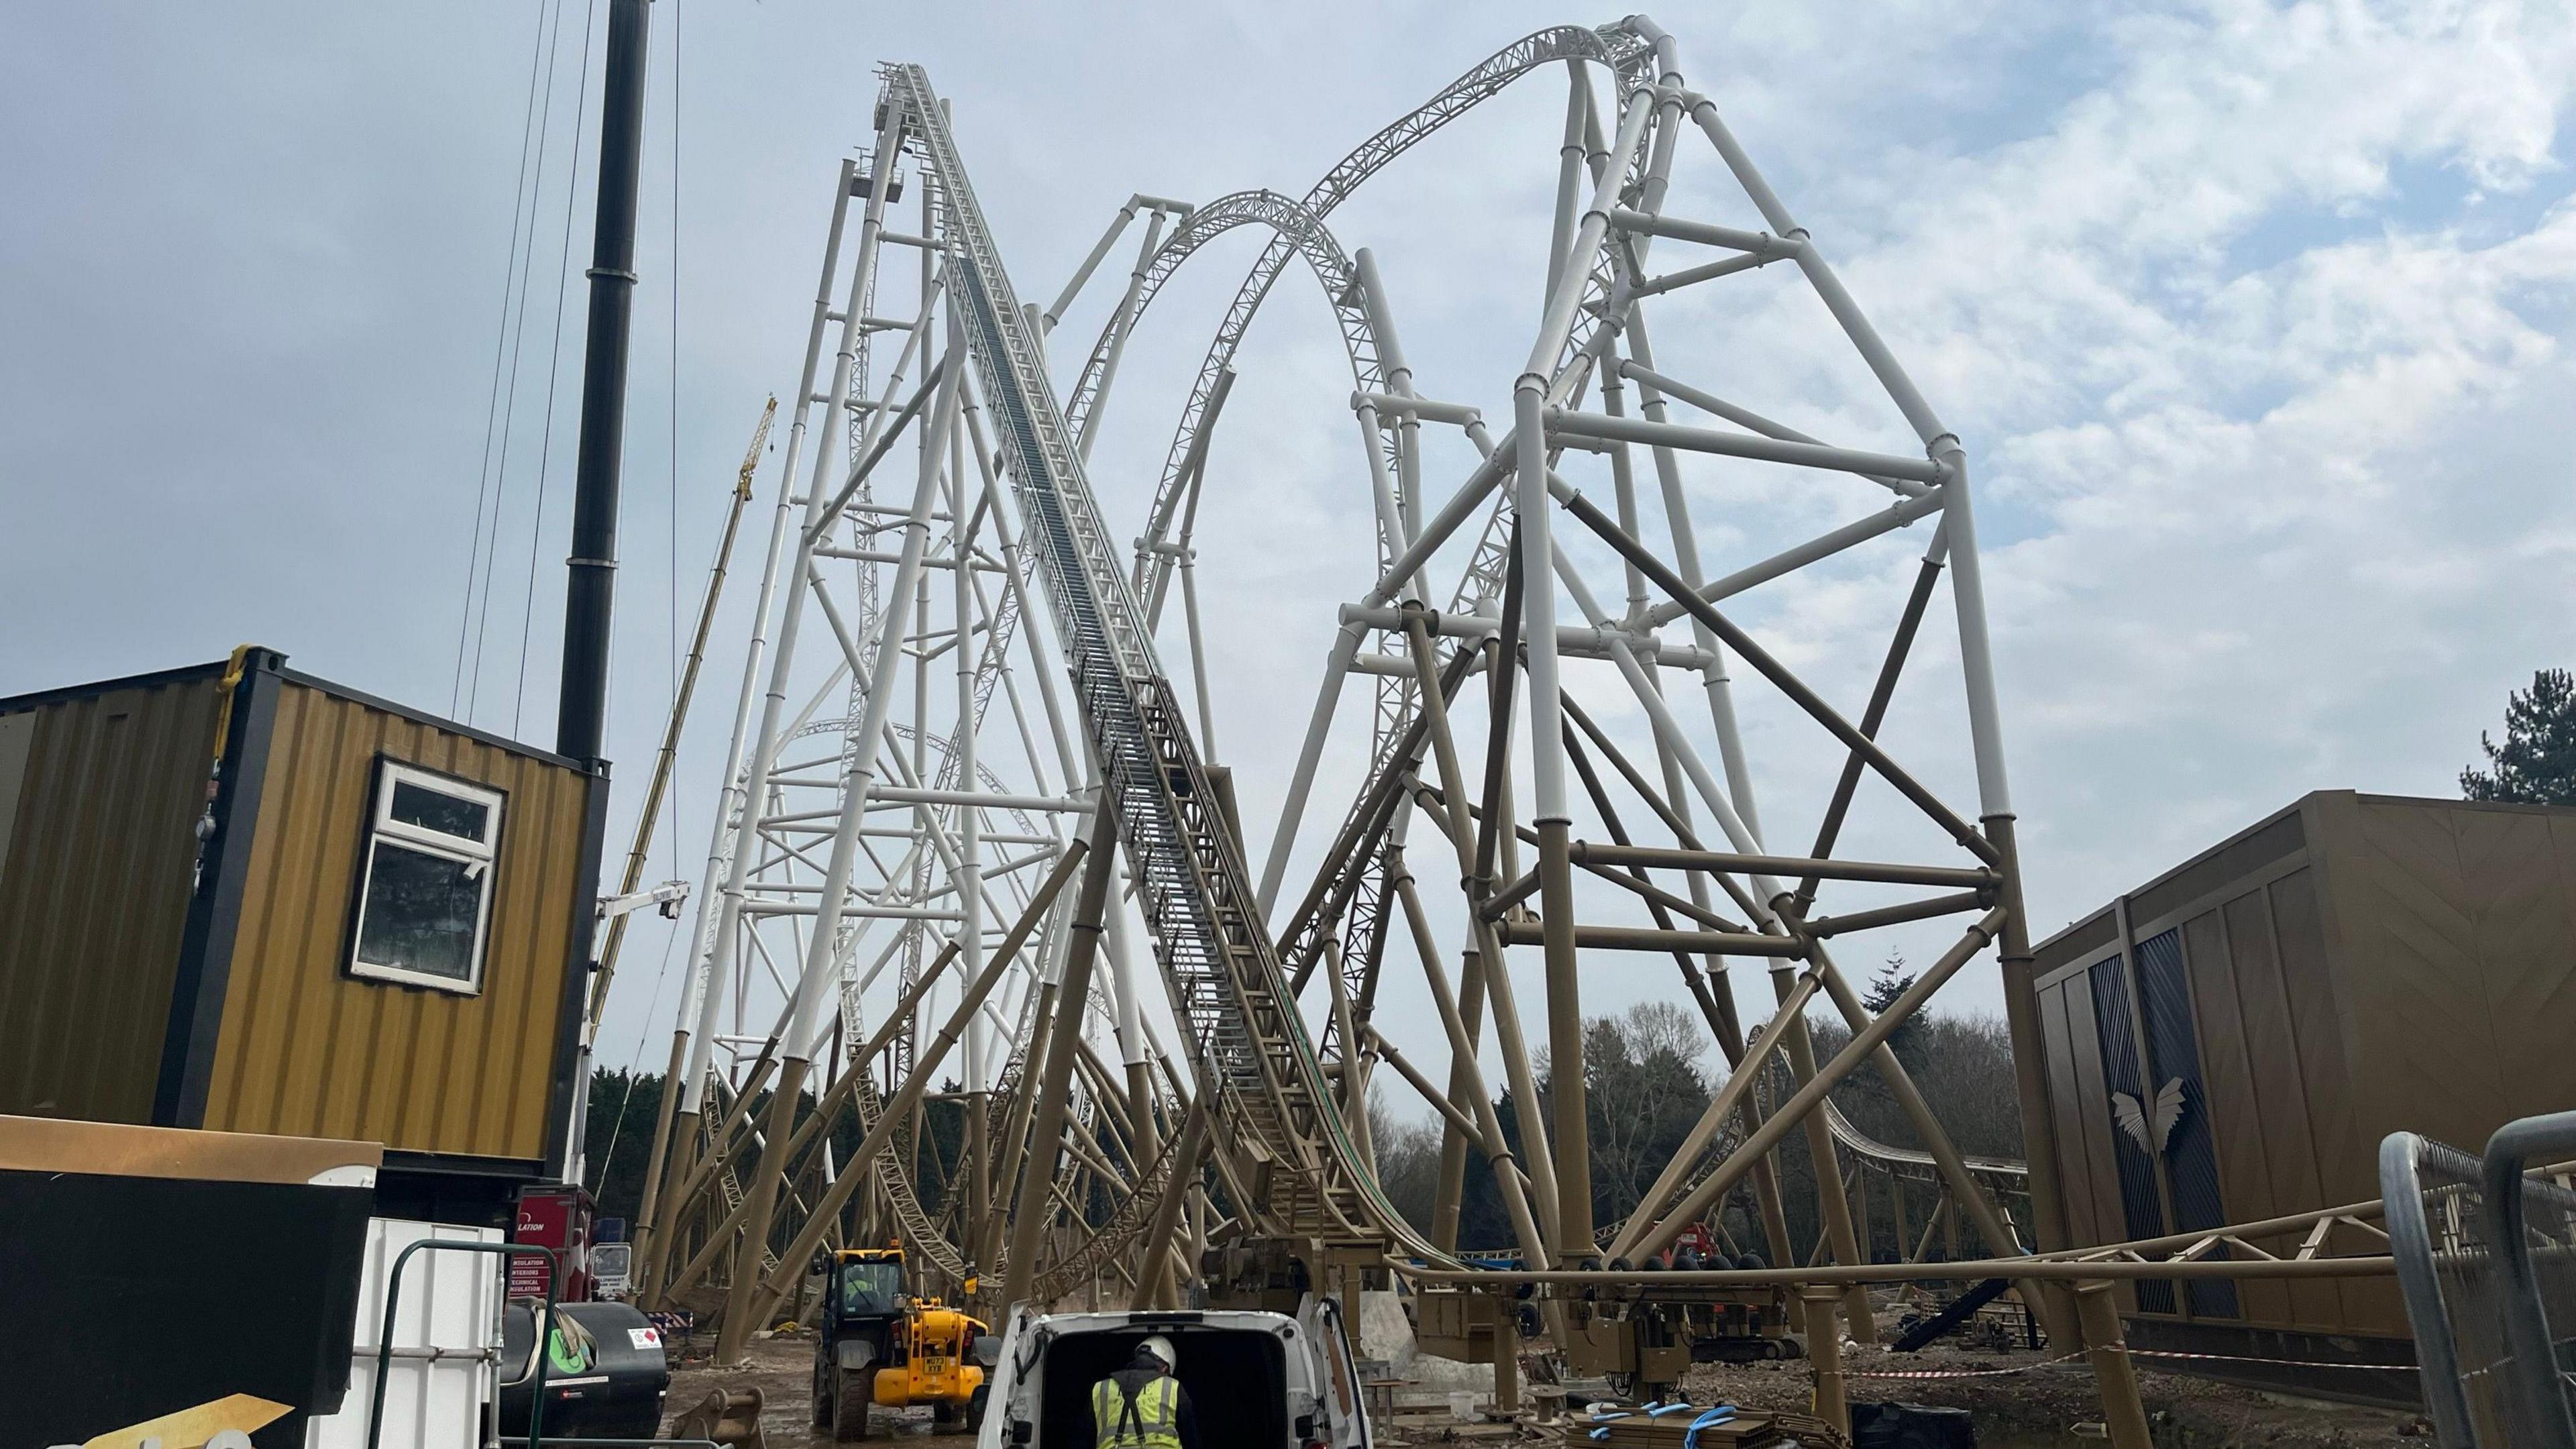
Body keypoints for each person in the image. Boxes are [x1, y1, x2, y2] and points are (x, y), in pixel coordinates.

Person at [1087, 1333, 1196, 1449]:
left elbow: (1083, 1439)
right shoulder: (1173, 1388)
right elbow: (1191, 1439)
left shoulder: (1101, 1389)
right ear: (1165, 1368)